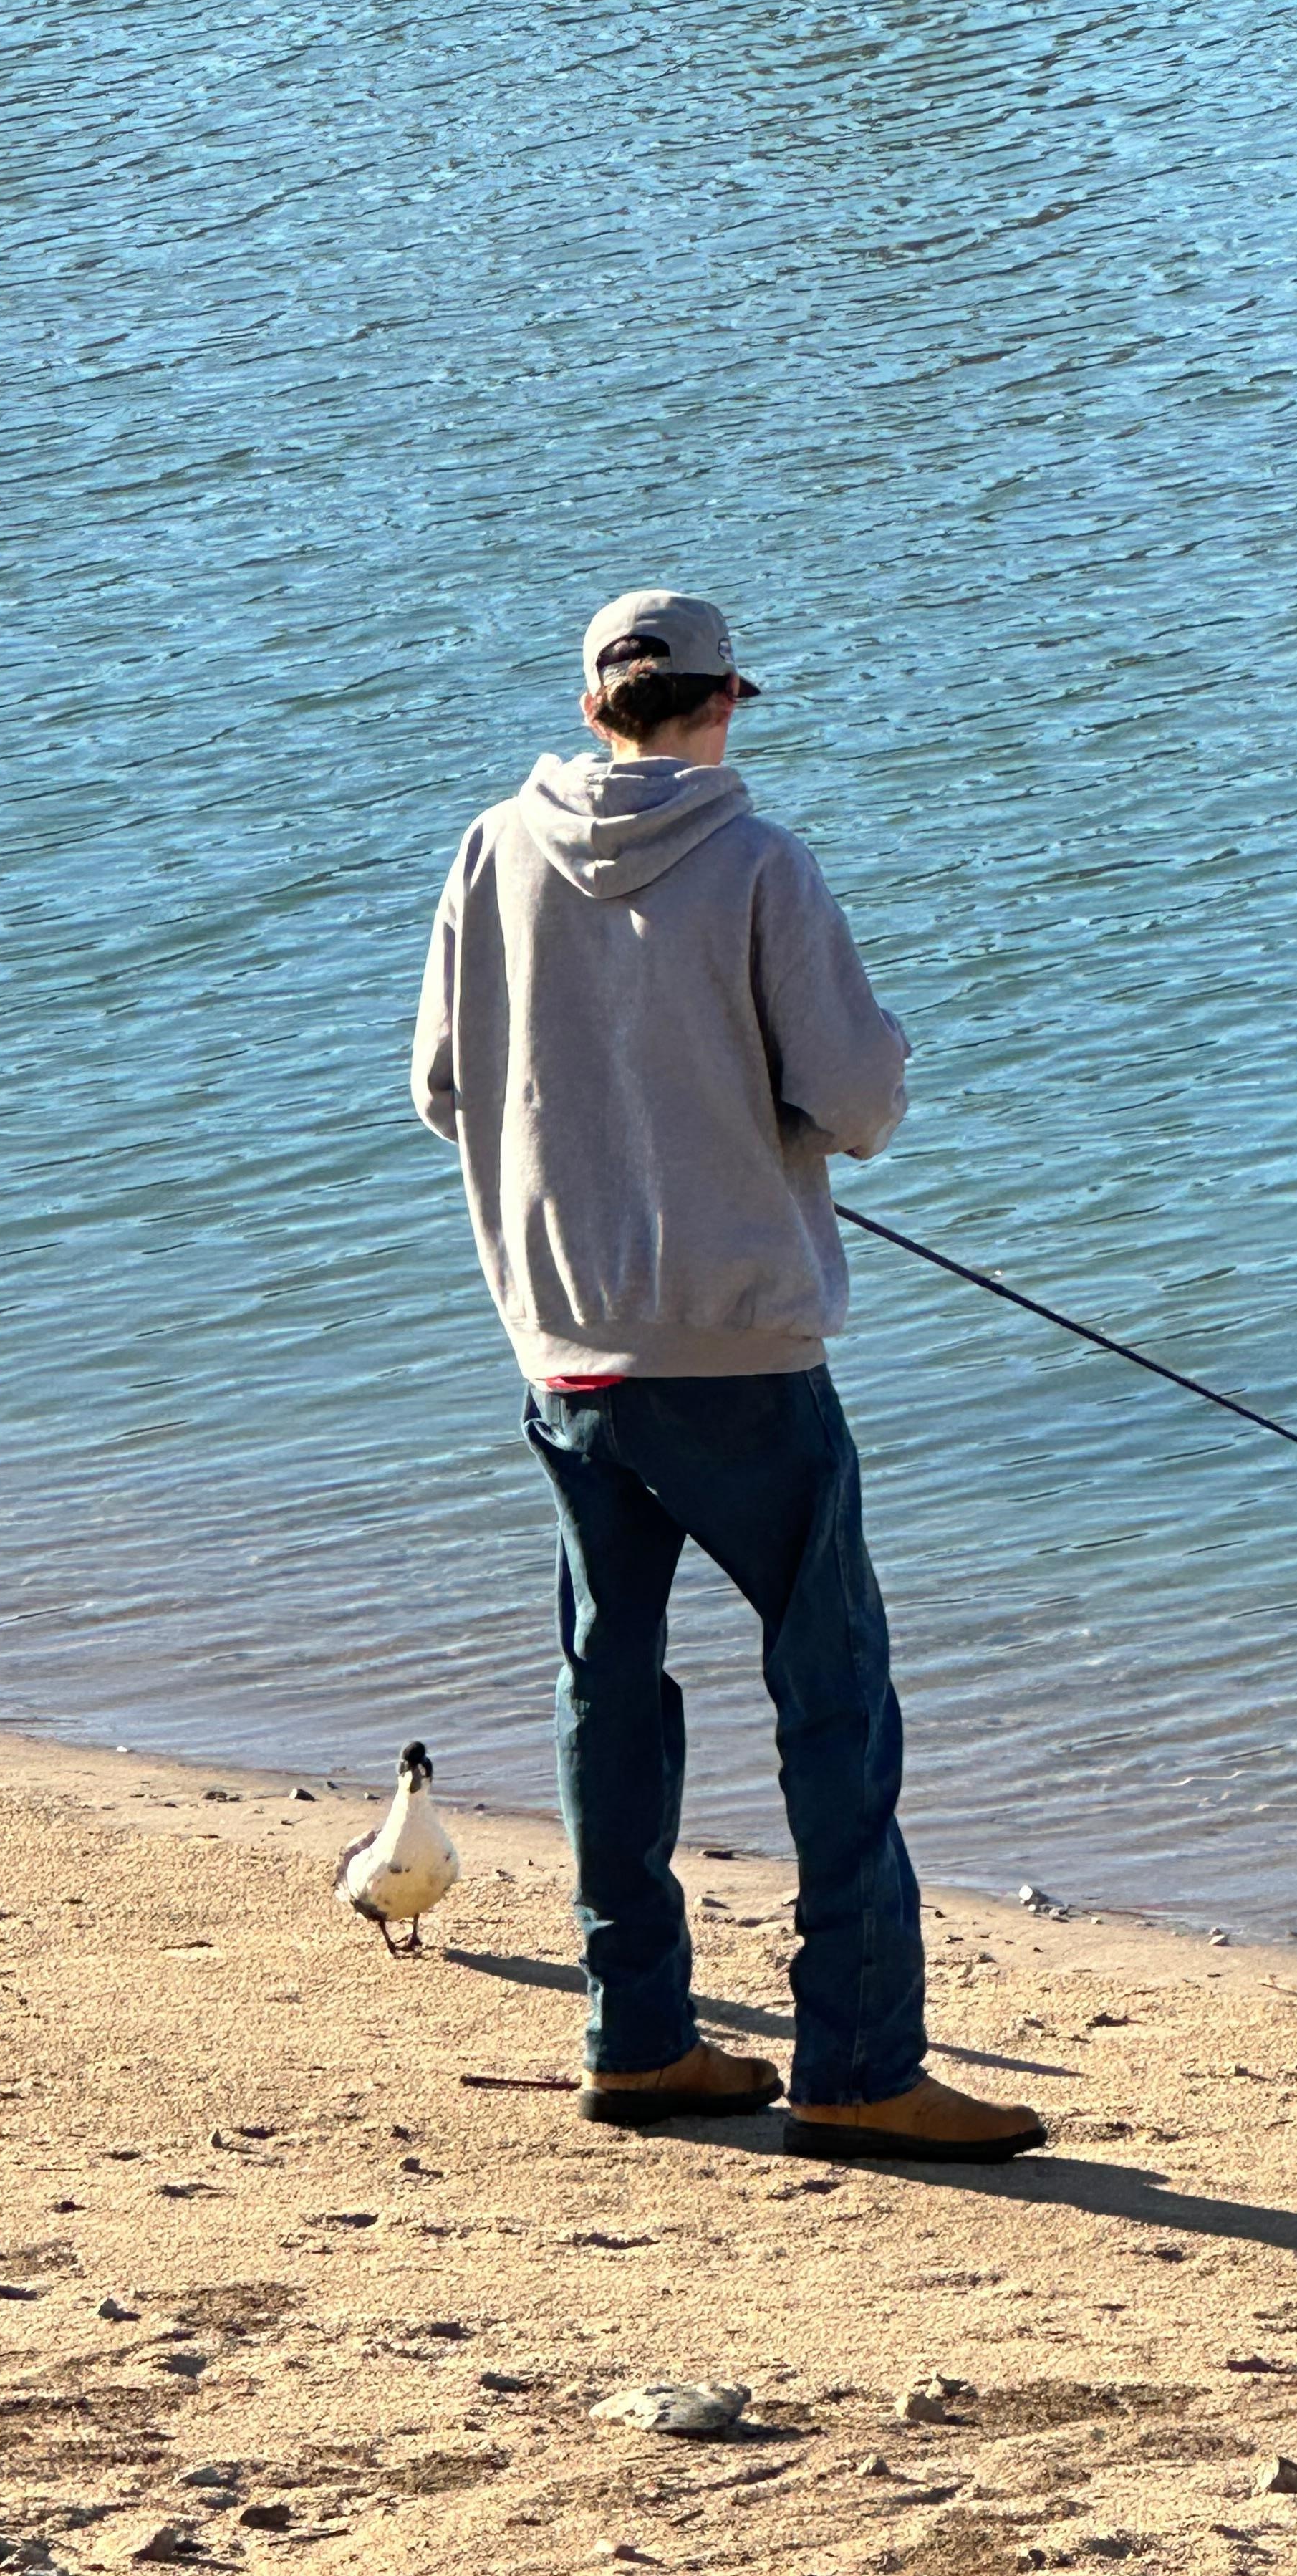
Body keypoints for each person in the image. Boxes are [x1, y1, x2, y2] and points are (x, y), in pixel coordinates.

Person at [411, 588, 1046, 2165]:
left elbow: (443, 1092)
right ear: (721, 706)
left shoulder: (494, 851)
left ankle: (635, 2038)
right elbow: (861, 1100)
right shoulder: (762, 864)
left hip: (565, 1351)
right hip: (741, 1357)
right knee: (833, 1692)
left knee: (607, 1686)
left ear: (592, 708)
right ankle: (857, 2062)